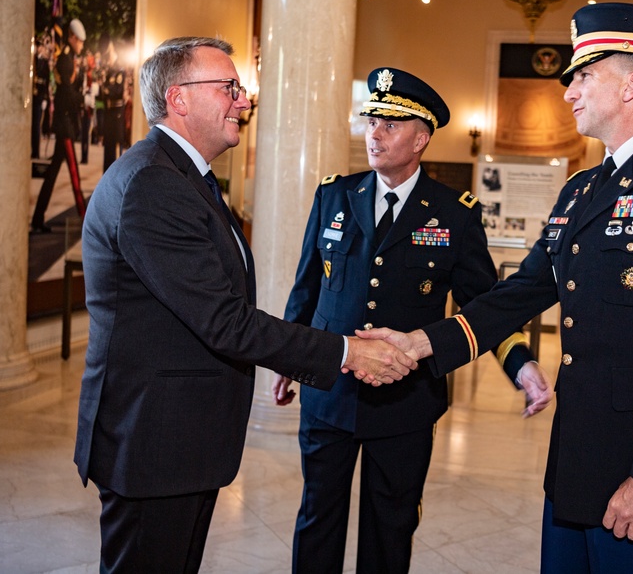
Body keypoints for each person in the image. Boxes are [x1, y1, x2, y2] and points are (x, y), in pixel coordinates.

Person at [360, 3, 633, 573]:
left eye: (583, 76)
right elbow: (523, 290)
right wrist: (421, 343)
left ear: (632, 84)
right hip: (577, 461)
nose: (569, 91)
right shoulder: (581, 190)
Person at [73, 37, 418, 573]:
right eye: (229, 88)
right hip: (154, 441)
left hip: (180, 440)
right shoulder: (152, 185)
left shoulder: (185, 178)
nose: (243, 100)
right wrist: (347, 352)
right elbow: (225, 321)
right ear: (178, 98)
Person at [273, 67, 554, 574]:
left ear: (421, 138)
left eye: (391, 125)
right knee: (318, 516)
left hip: (405, 402)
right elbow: (307, 288)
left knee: (391, 523)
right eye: (370, 121)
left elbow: (483, 302)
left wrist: (520, 364)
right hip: (329, 392)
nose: (373, 135)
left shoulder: (455, 213)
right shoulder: (334, 194)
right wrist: (288, 361)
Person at [31, 18, 86, 233]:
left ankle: (37, 217)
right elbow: (67, 95)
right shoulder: (65, 60)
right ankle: (85, 218)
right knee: (73, 175)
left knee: (53, 174)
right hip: (65, 125)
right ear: (72, 38)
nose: (81, 45)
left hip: (66, 123)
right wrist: (82, 100)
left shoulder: (69, 58)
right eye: (79, 41)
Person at [98, 41, 126, 172]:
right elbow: (103, 91)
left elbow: (117, 90)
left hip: (116, 112)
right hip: (109, 111)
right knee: (107, 145)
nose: (108, 57)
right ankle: (105, 174)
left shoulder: (119, 70)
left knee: (115, 146)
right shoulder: (109, 71)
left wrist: (107, 89)